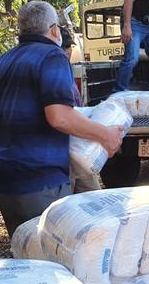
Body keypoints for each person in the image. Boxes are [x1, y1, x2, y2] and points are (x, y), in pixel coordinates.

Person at [0, 1, 123, 237]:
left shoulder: (0, 63)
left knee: (23, 247)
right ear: (54, 30)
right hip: (36, 175)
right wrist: (105, 135)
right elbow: (59, 117)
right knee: (52, 250)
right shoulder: (52, 56)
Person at [59, 26, 101, 193]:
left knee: (93, 196)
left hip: (79, 145)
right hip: (64, 147)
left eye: (69, 47)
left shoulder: (66, 67)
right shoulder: (52, 68)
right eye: (64, 47)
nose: (67, 52)